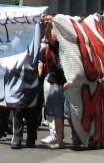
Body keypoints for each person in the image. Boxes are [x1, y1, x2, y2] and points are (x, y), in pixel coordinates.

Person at [41, 20, 69, 150]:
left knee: (71, 113)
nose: (55, 33)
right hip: (56, 82)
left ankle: (78, 136)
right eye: (54, 30)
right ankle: (60, 139)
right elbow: (48, 37)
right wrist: (48, 24)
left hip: (69, 82)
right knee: (58, 113)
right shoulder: (52, 46)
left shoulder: (68, 44)